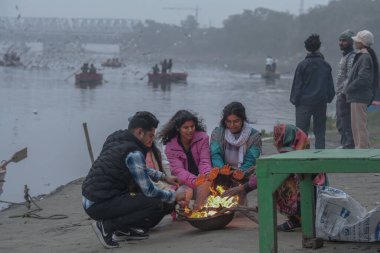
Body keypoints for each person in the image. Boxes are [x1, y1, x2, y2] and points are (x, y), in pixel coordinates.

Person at [82, 111, 186, 249]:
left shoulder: (116, 138)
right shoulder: (134, 152)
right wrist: (173, 196)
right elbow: (149, 190)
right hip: (99, 202)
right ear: (139, 132)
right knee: (154, 204)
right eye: (150, 135)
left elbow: (139, 168)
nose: (152, 140)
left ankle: (123, 231)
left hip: (91, 198)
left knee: (141, 199)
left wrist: (163, 177)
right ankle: (106, 226)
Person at [222, 123, 327, 231]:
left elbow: (269, 173)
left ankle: (301, 218)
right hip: (317, 195)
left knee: (279, 182)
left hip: (311, 196)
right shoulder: (301, 150)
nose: (275, 141)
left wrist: (243, 188)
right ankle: (297, 219)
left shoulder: (289, 156)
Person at [159, 110, 212, 210]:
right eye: (185, 127)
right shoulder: (171, 147)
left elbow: (205, 161)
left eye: (192, 126)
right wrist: (196, 180)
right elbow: (178, 171)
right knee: (184, 192)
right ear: (178, 128)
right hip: (184, 183)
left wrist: (206, 175)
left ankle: (197, 209)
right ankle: (182, 210)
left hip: (202, 182)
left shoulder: (203, 138)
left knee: (207, 182)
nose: (190, 130)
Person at [210, 102, 262, 204]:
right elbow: (215, 154)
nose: (232, 125)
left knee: (238, 207)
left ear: (243, 119)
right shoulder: (218, 132)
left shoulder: (254, 135)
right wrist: (221, 168)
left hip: (244, 174)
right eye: (228, 121)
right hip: (222, 173)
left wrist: (241, 172)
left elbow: (251, 159)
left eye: (236, 121)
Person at [290, 34, 335, 149]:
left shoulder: (302, 65)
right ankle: (320, 158)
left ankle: (302, 158)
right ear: (319, 47)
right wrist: (328, 98)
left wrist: (295, 101)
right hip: (320, 103)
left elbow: (297, 86)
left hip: (304, 104)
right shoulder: (326, 65)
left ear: (306, 48)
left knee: (301, 133)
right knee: (320, 132)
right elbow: (330, 88)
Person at [345, 30, 379, 148]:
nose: (355, 43)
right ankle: (360, 148)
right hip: (357, 96)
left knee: (359, 125)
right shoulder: (364, 55)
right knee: (356, 125)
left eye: (357, 41)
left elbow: (363, 78)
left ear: (362, 43)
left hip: (359, 96)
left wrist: (349, 88)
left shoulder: (364, 57)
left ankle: (362, 149)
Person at [336, 30, 356, 149]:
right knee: (340, 122)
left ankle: (348, 145)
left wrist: (342, 93)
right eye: (340, 40)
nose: (341, 43)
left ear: (350, 42)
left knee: (345, 122)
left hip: (345, 95)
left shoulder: (352, 57)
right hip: (340, 93)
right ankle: (345, 143)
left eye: (344, 41)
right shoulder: (344, 56)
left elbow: (350, 77)